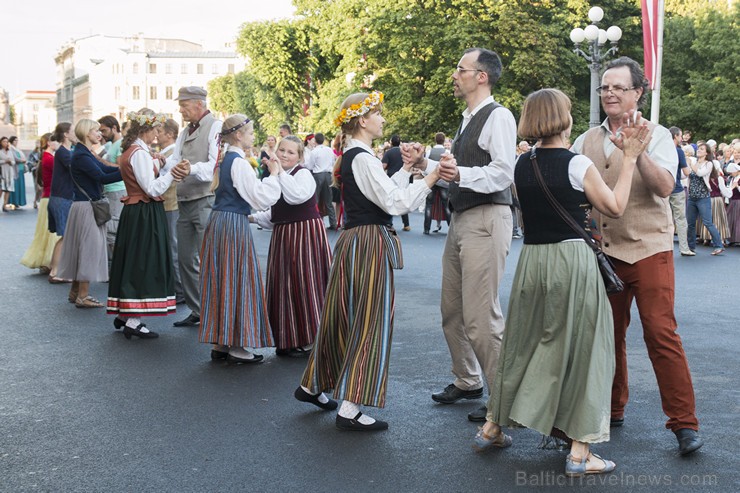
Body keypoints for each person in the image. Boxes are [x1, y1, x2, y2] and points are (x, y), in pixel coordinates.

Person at [473, 88, 650, 477]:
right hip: (571, 260)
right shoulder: (576, 163)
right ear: (563, 118)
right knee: (587, 349)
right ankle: (580, 453)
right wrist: (631, 159)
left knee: (522, 344)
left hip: (533, 260)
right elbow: (615, 208)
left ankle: (492, 427)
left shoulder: (521, 164)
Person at [571, 56, 703, 456]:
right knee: (606, 337)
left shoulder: (658, 134)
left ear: (638, 93)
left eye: (618, 87)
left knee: (661, 334)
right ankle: (612, 408)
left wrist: (636, 151)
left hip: (649, 248)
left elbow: (664, 188)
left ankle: (684, 424)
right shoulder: (585, 140)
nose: (609, 93)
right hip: (605, 251)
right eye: (604, 87)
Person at [295, 91, 441, 431]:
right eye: (378, 114)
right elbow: (394, 203)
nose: (383, 120)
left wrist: (407, 169)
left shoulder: (354, 154)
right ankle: (350, 406)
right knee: (371, 319)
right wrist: (429, 178)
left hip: (353, 240)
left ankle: (311, 385)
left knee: (341, 315)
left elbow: (383, 194)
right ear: (362, 120)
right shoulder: (362, 157)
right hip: (368, 242)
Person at [402, 47, 517, 423]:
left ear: (480, 76)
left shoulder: (498, 116)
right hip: (464, 218)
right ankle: (468, 380)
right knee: (452, 310)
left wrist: (460, 175)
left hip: (486, 218)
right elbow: (463, 169)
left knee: (481, 317)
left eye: (460, 68)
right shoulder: (468, 118)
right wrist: (424, 163)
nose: (454, 74)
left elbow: (503, 173)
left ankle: (504, 399)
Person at [198, 114, 282, 363]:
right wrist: (274, 174)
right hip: (233, 223)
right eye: (251, 131)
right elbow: (260, 198)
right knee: (238, 278)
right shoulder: (239, 162)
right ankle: (237, 346)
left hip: (220, 221)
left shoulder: (227, 159)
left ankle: (222, 342)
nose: (254, 135)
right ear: (238, 135)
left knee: (222, 279)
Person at [107, 109, 186, 339]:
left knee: (133, 261)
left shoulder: (138, 151)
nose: (157, 134)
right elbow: (152, 189)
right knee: (142, 262)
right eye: (155, 129)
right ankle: (133, 319)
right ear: (146, 129)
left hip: (137, 211)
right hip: (144, 212)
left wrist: (161, 164)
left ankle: (125, 315)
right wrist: (172, 173)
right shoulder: (139, 153)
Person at [252, 136, 332, 356]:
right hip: (283, 234)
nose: (285, 155)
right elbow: (274, 212)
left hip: (305, 233)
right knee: (283, 286)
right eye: (282, 151)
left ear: (300, 157)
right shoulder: (277, 175)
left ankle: (308, 338)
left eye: (291, 152)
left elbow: (296, 197)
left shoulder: (303, 174)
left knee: (305, 283)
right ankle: (287, 339)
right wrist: (250, 218)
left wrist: (279, 174)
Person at [165, 86, 223, 327]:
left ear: (199, 104)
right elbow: (175, 159)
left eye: (184, 105)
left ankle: (216, 312)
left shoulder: (216, 126)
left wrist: (189, 169)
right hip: (185, 199)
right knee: (187, 259)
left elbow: (212, 165)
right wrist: (165, 163)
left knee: (209, 258)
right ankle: (198, 309)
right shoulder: (184, 132)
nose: (181, 110)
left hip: (204, 200)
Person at [56, 119, 122, 308]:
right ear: (86, 133)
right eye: (95, 131)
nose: (99, 134)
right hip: (87, 207)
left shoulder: (83, 153)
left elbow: (106, 169)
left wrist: (124, 168)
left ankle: (76, 291)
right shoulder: (82, 156)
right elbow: (102, 176)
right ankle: (83, 296)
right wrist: (128, 172)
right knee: (88, 250)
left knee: (81, 249)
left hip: (83, 206)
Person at [20, 133, 61, 274]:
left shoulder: (46, 157)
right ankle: (51, 262)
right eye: (57, 141)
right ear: (49, 142)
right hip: (51, 197)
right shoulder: (50, 159)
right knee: (52, 234)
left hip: (46, 198)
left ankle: (47, 262)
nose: (59, 143)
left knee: (46, 233)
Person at [155, 118, 186, 304]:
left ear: (170, 134)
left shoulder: (173, 153)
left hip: (171, 203)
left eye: (159, 131)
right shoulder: (164, 152)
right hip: (166, 203)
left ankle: (179, 289)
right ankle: (174, 287)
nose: (156, 134)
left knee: (172, 246)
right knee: (169, 245)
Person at [47, 123, 76, 287]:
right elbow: (77, 168)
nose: (75, 134)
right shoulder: (63, 153)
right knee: (65, 236)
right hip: (62, 198)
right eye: (73, 132)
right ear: (66, 134)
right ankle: (55, 272)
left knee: (66, 236)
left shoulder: (65, 152)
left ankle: (56, 269)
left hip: (62, 197)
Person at [686, 143, 725, 255]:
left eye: (702, 149)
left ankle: (719, 245)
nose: (699, 150)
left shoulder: (709, 164)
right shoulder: (693, 162)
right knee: (691, 223)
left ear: (706, 153)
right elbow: (686, 174)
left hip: (703, 197)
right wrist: (686, 165)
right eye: (698, 148)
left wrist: (690, 164)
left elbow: (700, 173)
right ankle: (691, 247)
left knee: (708, 222)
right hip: (692, 197)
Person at [97, 116, 125, 265]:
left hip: (117, 190)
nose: (102, 134)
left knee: (113, 230)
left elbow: (122, 168)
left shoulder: (120, 144)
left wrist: (100, 161)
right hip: (110, 190)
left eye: (104, 130)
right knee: (110, 229)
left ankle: (117, 268)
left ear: (114, 128)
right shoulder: (111, 145)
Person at [304, 132, 338, 229]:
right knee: (328, 200)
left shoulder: (314, 152)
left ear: (315, 140)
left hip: (318, 175)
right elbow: (333, 162)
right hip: (328, 175)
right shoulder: (329, 150)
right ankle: (333, 223)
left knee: (316, 199)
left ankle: (315, 222)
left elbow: (310, 165)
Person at [667, 127, 693, 256]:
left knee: (665, 219)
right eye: (680, 136)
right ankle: (684, 248)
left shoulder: (661, 150)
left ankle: (665, 247)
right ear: (675, 136)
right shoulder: (679, 152)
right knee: (681, 219)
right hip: (676, 188)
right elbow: (686, 172)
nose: (681, 138)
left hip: (662, 189)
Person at [381, 135, 411, 231]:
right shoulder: (404, 152)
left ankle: (389, 223)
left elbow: (383, 166)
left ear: (391, 142)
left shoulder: (388, 153)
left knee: (390, 199)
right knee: (403, 199)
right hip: (404, 177)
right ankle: (406, 224)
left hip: (392, 178)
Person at [423, 132, 450, 234]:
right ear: (443, 140)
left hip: (432, 181)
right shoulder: (447, 151)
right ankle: (450, 229)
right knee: (446, 205)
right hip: (443, 181)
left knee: (429, 205)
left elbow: (426, 166)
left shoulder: (430, 152)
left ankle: (426, 229)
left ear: (435, 140)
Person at [8, 136, 27, 209]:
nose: (16, 142)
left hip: (20, 169)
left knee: (20, 186)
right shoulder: (11, 149)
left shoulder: (17, 149)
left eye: (17, 140)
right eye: (15, 140)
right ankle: (13, 202)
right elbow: (14, 159)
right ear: (12, 141)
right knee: (15, 186)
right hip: (15, 170)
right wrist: (21, 160)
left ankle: (18, 202)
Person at [0, 136, 16, 211]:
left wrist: (10, 162)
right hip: (2, 172)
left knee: (8, 190)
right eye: (4, 141)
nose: (5, 143)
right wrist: (4, 161)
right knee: (1, 189)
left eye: (7, 141)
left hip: (10, 172)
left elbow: (13, 161)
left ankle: (5, 205)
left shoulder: (10, 151)